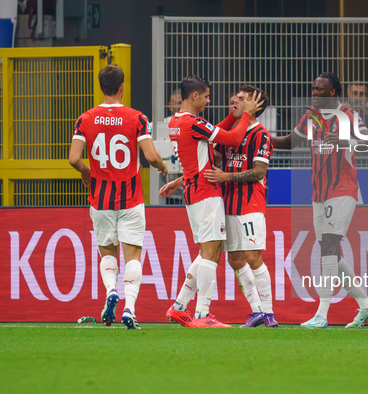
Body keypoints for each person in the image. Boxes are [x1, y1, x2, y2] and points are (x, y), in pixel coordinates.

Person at [272, 72, 368, 329]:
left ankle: (321, 314)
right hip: (318, 192)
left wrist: (346, 141)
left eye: (319, 89)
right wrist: (256, 138)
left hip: (343, 189)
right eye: (313, 89)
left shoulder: (350, 115)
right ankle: (366, 305)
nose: (314, 93)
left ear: (332, 92)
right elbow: (289, 142)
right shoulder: (310, 116)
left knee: (330, 246)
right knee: (330, 252)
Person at [68, 64, 168, 329]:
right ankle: (130, 309)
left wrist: (86, 171)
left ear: (101, 86)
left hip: (100, 199)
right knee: (133, 255)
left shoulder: (85, 118)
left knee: (107, 254)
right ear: (123, 87)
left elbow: (73, 158)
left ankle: (111, 289)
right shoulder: (137, 118)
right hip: (130, 199)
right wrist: (162, 166)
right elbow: (149, 156)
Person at [160, 76, 264, 328]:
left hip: (195, 192)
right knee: (210, 254)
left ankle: (179, 307)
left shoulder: (177, 121)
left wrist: (236, 115)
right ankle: (202, 314)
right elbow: (231, 138)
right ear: (194, 96)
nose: (208, 100)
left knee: (208, 251)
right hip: (206, 192)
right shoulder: (193, 123)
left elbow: (214, 131)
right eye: (206, 96)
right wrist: (246, 116)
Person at [204, 85, 278, 328]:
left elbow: (258, 172)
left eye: (242, 98)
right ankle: (257, 310)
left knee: (252, 256)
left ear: (254, 107)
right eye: (235, 97)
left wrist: (226, 177)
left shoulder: (261, 134)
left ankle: (269, 312)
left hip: (250, 203)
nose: (234, 100)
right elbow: (209, 162)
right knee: (235, 259)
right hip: (227, 204)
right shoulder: (229, 133)